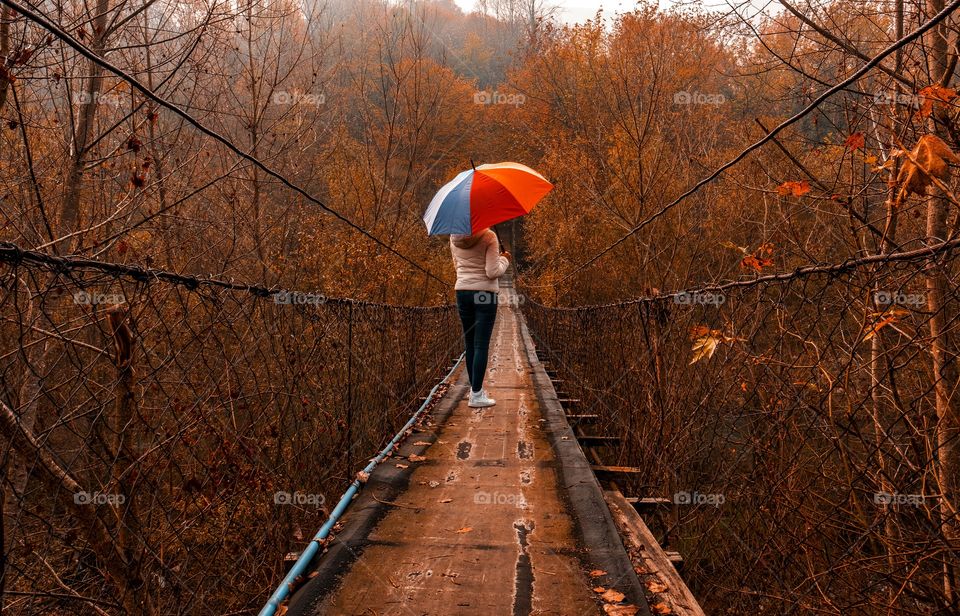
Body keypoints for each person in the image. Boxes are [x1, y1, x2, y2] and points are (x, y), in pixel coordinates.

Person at [450, 228, 511, 408]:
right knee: (481, 344)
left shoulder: (453, 236)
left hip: (462, 292)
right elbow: (493, 272)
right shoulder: (489, 235)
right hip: (485, 293)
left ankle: (475, 390)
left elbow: (457, 266)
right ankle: (476, 395)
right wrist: (504, 259)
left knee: (470, 343)